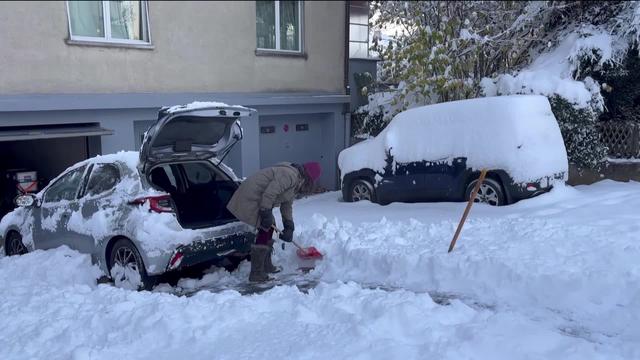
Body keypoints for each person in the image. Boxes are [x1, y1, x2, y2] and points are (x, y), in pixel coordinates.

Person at [227, 161, 322, 282]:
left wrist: (289, 226)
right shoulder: (289, 175)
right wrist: (265, 211)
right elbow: (270, 193)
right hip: (251, 197)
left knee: (270, 227)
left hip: (261, 199)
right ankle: (256, 273)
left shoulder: (296, 181)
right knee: (265, 228)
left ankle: (266, 266)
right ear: (308, 178)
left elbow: (287, 205)